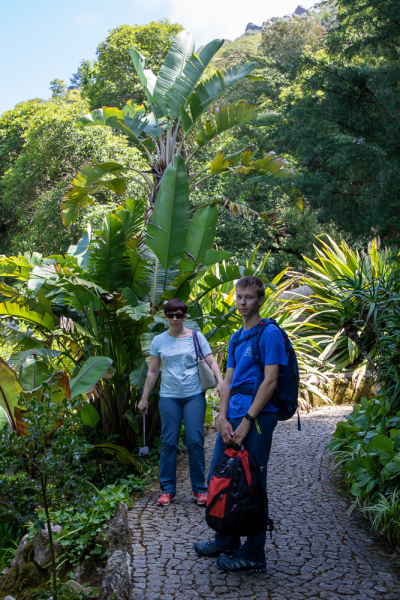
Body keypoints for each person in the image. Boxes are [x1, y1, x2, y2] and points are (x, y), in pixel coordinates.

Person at [194, 275, 288, 573]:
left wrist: (248, 420)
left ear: (260, 299)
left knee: (252, 483)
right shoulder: (236, 337)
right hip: (232, 415)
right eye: (239, 297)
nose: (243, 302)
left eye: (249, 297)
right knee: (222, 478)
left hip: (258, 418)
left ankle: (253, 553)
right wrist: (222, 417)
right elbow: (228, 381)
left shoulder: (269, 333)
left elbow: (270, 381)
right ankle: (226, 539)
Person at [138, 298, 223, 507]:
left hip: (193, 395)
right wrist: (144, 398)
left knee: (195, 441)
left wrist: (221, 382)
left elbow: (211, 361)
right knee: (168, 442)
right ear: (165, 317)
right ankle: (167, 490)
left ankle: (199, 490)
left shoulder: (196, 337)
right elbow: (153, 370)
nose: (175, 319)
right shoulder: (159, 340)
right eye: (170, 315)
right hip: (168, 396)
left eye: (179, 315)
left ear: (185, 316)